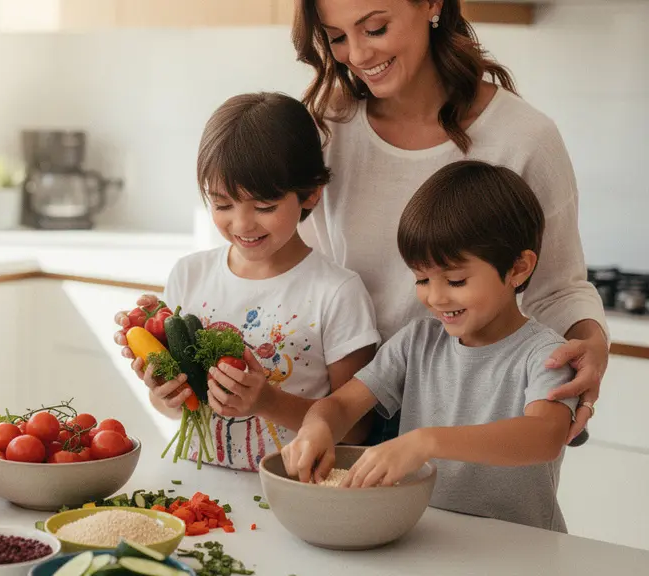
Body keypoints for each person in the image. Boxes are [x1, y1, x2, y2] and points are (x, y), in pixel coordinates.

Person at [291, 0, 607, 445]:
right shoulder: (328, 129)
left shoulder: (524, 138)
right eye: (338, 37)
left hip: (470, 411)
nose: (358, 55)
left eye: (375, 29)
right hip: (349, 404)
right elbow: (296, 272)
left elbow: (558, 288)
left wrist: (590, 346)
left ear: (432, 4)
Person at [282, 160, 577, 533]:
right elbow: (341, 404)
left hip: (523, 550)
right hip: (430, 538)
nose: (435, 297)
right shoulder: (417, 342)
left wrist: (425, 441)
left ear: (518, 268)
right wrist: (317, 427)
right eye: (421, 278)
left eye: (455, 280)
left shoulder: (546, 354)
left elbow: (544, 437)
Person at [117, 92, 381, 471]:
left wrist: (267, 402)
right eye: (222, 204)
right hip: (195, 489)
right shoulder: (189, 275)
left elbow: (356, 429)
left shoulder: (336, 292)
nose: (242, 224)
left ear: (310, 194)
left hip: (290, 490)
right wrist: (164, 393)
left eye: (264, 206)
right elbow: (173, 410)